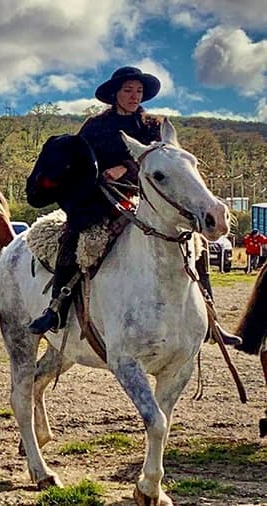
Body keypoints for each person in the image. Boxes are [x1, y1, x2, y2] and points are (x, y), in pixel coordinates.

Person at [27, 66, 241, 346]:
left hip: (151, 197)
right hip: (103, 197)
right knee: (76, 233)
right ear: (115, 94)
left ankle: (210, 318)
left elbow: (167, 162)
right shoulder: (95, 126)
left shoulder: (154, 126)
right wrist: (103, 173)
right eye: (128, 90)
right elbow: (81, 162)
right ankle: (56, 308)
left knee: (193, 241)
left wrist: (124, 167)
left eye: (138, 91)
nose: (134, 96)